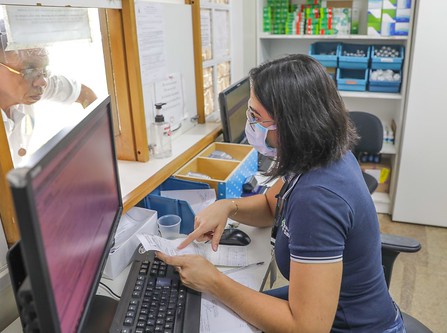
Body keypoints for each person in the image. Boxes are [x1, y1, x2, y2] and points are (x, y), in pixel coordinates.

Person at [157, 54, 406, 332]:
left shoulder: (318, 197)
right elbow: (270, 205)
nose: (249, 124)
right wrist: (228, 207)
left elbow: (306, 328)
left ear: (291, 124)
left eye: (255, 116)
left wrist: (214, 281)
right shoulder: (316, 154)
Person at [0, 19, 97, 165]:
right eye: (29, 70)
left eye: (44, 70)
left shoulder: (34, 84)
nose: (42, 82)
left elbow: (84, 94)